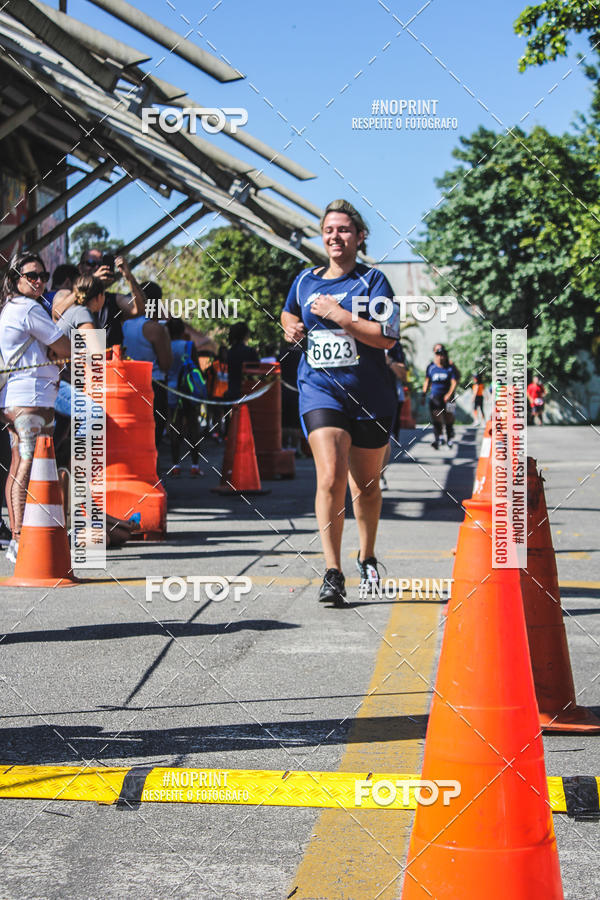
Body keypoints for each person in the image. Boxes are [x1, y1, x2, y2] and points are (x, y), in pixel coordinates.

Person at [281, 198, 399, 608]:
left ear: (360, 236)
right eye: (329, 230)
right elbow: (288, 313)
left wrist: (341, 315)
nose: (336, 236)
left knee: (366, 486)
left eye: (344, 229)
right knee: (330, 476)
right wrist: (290, 326)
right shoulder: (304, 280)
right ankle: (332, 572)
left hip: (369, 395)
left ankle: (367, 556)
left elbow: (387, 337)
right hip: (320, 390)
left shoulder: (374, 281)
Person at [0, 252, 71, 563]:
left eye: (43, 275)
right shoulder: (28, 308)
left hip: (21, 398)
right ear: (15, 279)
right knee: (27, 467)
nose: (39, 281)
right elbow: (65, 346)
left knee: (19, 465)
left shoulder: (12, 307)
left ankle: (20, 538)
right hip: (30, 399)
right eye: (31, 276)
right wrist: (60, 351)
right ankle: (19, 540)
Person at [52, 248, 145, 347]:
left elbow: (140, 310)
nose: (97, 267)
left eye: (100, 264)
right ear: (80, 268)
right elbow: (57, 313)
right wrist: (92, 281)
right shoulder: (67, 294)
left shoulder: (111, 299)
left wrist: (128, 276)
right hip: (78, 355)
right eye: (91, 263)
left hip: (109, 356)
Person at [122, 286, 172, 448]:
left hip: (127, 384)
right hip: (153, 386)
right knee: (152, 438)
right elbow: (166, 364)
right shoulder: (155, 329)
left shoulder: (123, 324)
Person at [165, 317, 203, 477]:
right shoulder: (189, 346)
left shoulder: (165, 345)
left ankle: (176, 466)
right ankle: (195, 466)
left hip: (171, 390)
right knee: (193, 427)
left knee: (175, 427)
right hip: (188, 391)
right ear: (182, 331)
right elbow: (197, 369)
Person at [380, 340, 407, 490]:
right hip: (354, 394)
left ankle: (380, 475)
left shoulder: (393, 344)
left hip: (384, 396)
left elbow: (403, 375)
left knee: (383, 439)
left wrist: (388, 361)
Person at [422, 344, 459, 450]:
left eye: (442, 354)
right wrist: (423, 395)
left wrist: (449, 394)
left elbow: (454, 382)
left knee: (449, 417)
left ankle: (450, 437)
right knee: (436, 417)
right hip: (435, 397)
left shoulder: (450, 368)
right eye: (438, 354)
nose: (440, 357)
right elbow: (427, 381)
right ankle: (438, 438)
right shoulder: (431, 367)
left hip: (450, 398)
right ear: (435, 355)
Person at [226, 322, 259, 400]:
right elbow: (257, 372)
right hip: (247, 392)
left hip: (231, 391)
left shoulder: (229, 352)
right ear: (246, 335)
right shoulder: (250, 352)